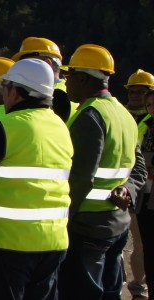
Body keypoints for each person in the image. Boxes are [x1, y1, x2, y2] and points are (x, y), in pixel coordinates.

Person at [0, 58, 71, 299]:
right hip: (52, 243)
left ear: (15, 91)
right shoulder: (60, 128)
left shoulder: (4, 127)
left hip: (4, 244)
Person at [58, 44, 148, 299]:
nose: (67, 82)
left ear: (84, 78)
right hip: (117, 225)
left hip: (87, 226)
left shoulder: (90, 116)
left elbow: (81, 178)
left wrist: (63, 218)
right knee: (110, 293)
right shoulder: (123, 114)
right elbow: (138, 168)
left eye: (70, 76)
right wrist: (128, 189)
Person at [127, 69, 154, 299]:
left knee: (142, 244)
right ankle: (138, 288)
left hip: (143, 191)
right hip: (136, 189)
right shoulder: (123, 116)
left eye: (141, 91)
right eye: (132, 91)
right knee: (137, 241)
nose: (135, 95)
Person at [13, 37, 76, 120]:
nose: (22, 70)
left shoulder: (53, 96)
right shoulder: (70, 91)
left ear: (47, 64)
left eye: (27, 64)